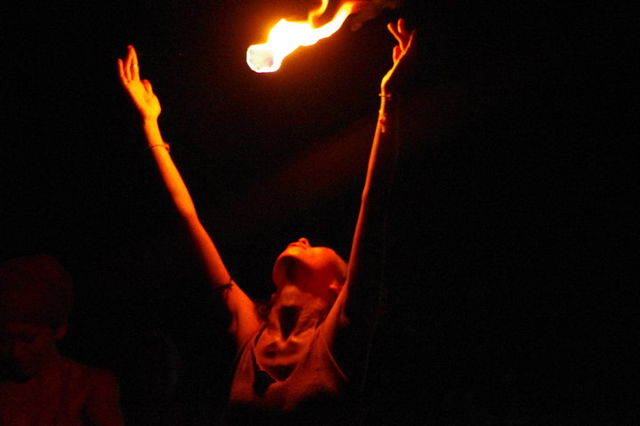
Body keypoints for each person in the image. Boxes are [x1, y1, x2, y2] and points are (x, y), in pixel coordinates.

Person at [118, 18, 416, 425]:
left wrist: (390, 97)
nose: (304, 238)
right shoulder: (248, 335)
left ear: (338, 287)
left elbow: (374, 202)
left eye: (319, 247)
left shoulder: (340, 340)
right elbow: (187, 218)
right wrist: (150, 124)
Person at [0, 254, 124, 426]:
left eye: (28, 339)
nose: (16, 352)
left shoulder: (90, 386)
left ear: (59, 329)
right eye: (4, 340)